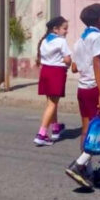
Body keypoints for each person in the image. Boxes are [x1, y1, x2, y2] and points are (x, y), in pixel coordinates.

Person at [65, 4, 100, 189]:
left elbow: (74, 67)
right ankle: (80, 164)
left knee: (86, 128)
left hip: (82, 88)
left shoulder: (79, 40)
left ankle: (89, 172)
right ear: (99, 20)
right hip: (93, 87)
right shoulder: (97, 36)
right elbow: (97, 63)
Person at [33, 16, 71, 146]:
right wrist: (68, 63)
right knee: (52, 104)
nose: (66, 31)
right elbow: (67, 59)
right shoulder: (61, 41)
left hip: (45, 72)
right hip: (56, 72)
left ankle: (55, 128)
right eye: (65, 29)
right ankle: (41, 134)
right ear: (56, 29)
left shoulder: (44, 41)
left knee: (51, 102)